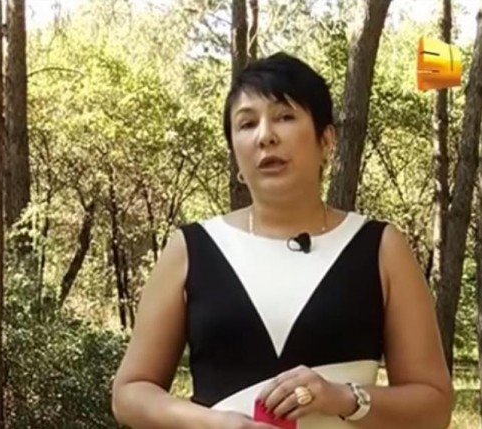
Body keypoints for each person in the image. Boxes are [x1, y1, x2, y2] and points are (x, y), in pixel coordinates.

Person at [110, 52, 454, 429]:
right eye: (247, 124)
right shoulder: (191, 249)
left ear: (326, 139)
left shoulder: (381, 248)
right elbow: (130, 392)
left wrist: (343, 397)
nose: (265, 136)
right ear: (235, 152)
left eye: (285, 117)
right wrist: (217, 424)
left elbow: (434, 405)